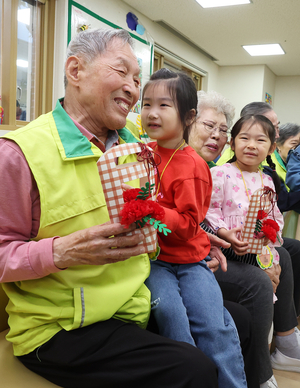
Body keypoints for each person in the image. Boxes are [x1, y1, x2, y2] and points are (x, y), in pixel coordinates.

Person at [0, 29, 220, 388]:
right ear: (75, 71)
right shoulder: (18, 154)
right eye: (122, 72)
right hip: (62, 327)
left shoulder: (136, 148)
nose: (134, 90)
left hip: (131, 303)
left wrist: (203, 238)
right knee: (194, 369)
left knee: (235, 317)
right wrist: (61, 251)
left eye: (137, 79)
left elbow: (160, 213)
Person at [141, 68, 247, 388]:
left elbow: (189, 226)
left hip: (191, 262)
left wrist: (151, 208)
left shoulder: (194, 167)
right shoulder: (140, 153)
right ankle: (192, 377)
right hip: (156, 261)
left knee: (215, 327)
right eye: (146, 104)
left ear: (188, 117)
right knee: (171, 317)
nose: (152, 113)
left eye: (164, 105)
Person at [189, 91, 300, 388]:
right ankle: (261, 369)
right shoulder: (220, 174)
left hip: (256, 247)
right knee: (261, 282)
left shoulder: (266, 180)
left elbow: (274, 217)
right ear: (234, 143)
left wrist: (271, 255)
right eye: (244, 138)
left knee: (284, 257)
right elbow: (208, 212)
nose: (251, 145)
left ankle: (285, 339)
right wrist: (223, 233)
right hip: (229, 248)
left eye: (261, 140)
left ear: (271, 147)